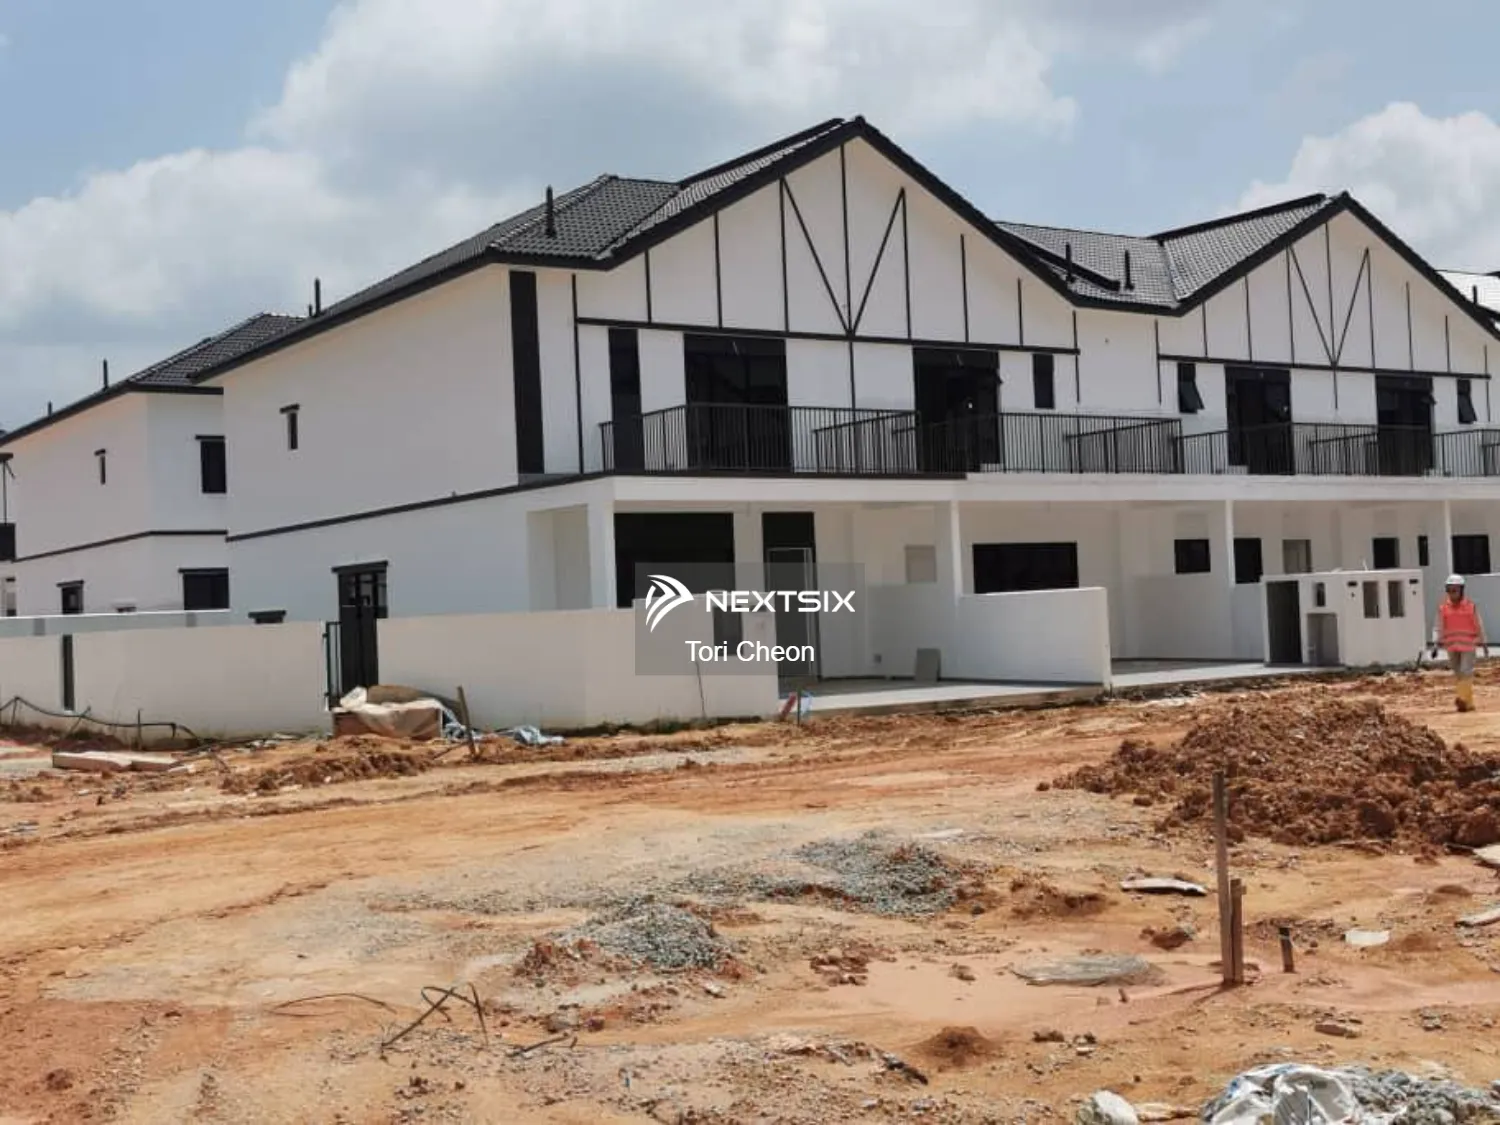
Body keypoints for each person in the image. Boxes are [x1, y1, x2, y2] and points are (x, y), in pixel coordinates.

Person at [1430, 574, 1488, 712]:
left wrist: (1484, 643)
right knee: (1458, 673)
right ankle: (1468, 703)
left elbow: (1479, 625)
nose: (1452, 593)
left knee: (1465, 671)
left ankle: (1461, 699)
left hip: (1468, 645)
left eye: (1455, 590)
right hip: (1451, 646)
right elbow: (1438, 627)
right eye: (1449, 590)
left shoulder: (1470, 607)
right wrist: (1435, 644)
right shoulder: (1443, 608)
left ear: (1461, 590)